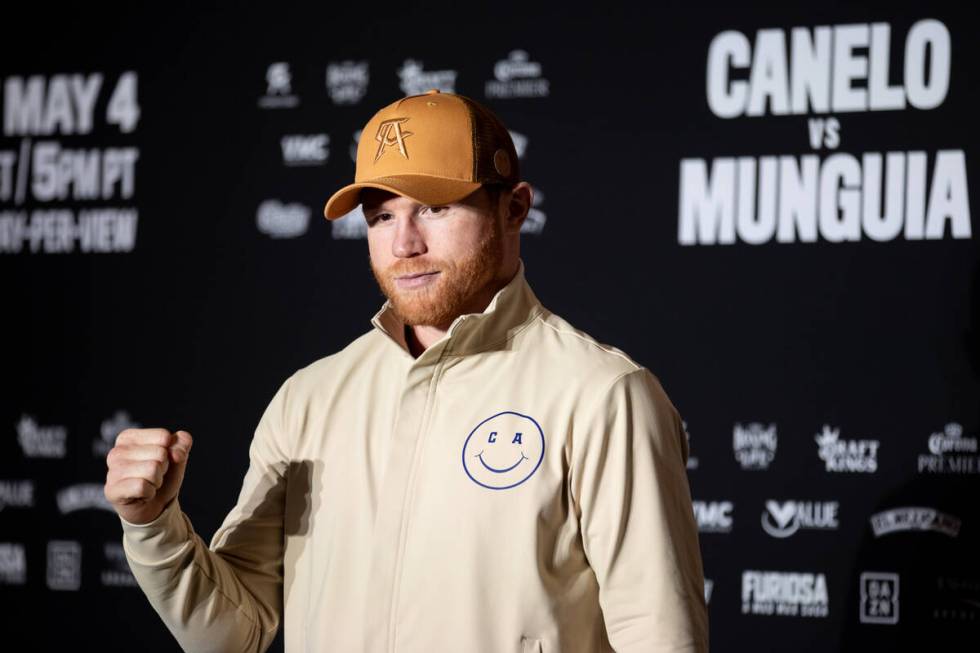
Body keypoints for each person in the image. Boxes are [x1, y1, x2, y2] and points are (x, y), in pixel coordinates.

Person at [104, 89, 708, 653]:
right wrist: (153, 525)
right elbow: (234, 631)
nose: (404, 244)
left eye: (435, 207)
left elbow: (660, 635)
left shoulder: (602, 395)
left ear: (514, 209)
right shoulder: (309, 398)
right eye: (380, 216)